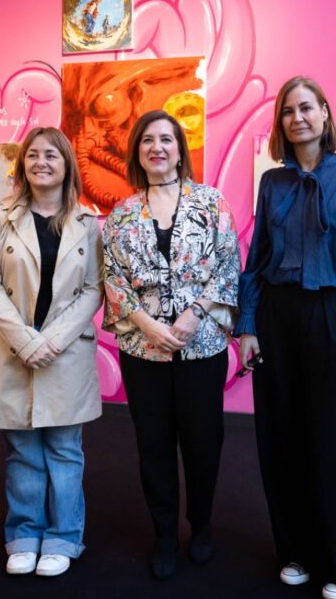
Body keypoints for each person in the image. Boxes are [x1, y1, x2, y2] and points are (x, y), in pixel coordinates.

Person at [236, 77, 336, 599]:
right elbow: (258, 259)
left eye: (307, 107)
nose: (298, 118)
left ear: (325, 114)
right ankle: (295, 551)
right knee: (280, 437)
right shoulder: (272, 183)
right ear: (280, 123)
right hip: (277, 315)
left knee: (329, 442)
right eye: (288, 111)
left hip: (330, 313)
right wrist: (249, 324)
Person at [101, 110, 241, 580]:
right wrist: (146, 323)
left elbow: (228, 265)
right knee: (154, 445)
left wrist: (193, 314)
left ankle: (201, 525)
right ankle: (163, 534)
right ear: (137, 153)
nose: (156, 147)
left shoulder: (211, 202)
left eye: (166, 139)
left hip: (201, 345)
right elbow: (112, 279)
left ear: (180, 150)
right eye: (147, 140)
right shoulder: (121, 214)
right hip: (144, 351)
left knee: (204, 443)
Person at [0, 127, 103, 577]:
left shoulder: (88, 223)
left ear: (67, 165)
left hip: (65, 349)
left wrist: (52, 339)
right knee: (22, 448)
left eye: (51, 155)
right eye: (33, 155)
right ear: (22, 165)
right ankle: (24, 533)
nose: (42, 162)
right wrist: (25, 340)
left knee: (64, 449)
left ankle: (64, 536)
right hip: (12, 346)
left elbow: (93, 288)